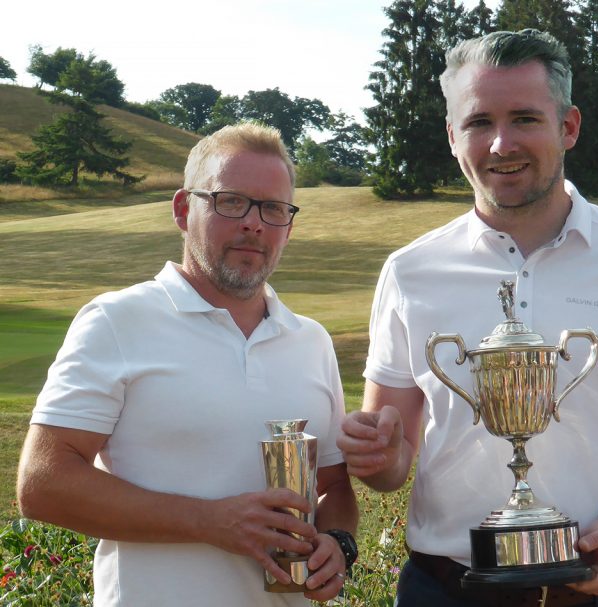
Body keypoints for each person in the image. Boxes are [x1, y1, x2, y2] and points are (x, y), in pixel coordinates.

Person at [337, 29, 598, 607]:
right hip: (444, 591)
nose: (501, 144)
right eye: (479, 122)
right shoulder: (410, 271)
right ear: (453, 137)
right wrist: (375, 455)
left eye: (525, 118)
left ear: (568, 127)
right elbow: (391, 463)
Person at [16, 122, 358, 606]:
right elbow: (42, 484)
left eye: (274, 209)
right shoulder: (116, 321)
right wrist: (210, 522)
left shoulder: (312, 342)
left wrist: (338, 544)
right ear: (183, 209)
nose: (254, 224)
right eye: (232, 201)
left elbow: (332, 486)